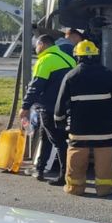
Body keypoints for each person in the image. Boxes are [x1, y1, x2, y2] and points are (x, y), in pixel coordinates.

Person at [53, 40, 112, 197]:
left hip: (79, 128)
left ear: (78, 57)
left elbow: (60, 102)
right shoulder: (107, 74)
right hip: (104, 128)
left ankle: (75, 188)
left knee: (76, 158)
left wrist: (59, 119)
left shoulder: (71, 76)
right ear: (96, 56)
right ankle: (105, 189)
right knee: (104, 161)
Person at [19, 34, 76, 185]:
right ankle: (40, 169)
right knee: (47, 137)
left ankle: (65, 177)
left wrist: (25, 107)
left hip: (49, 108)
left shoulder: (45, 60)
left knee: (58, 141)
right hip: (67, 107)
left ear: (42, 44)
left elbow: (36, 86)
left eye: (36, 45)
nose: (36, 48)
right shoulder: (69, 59)